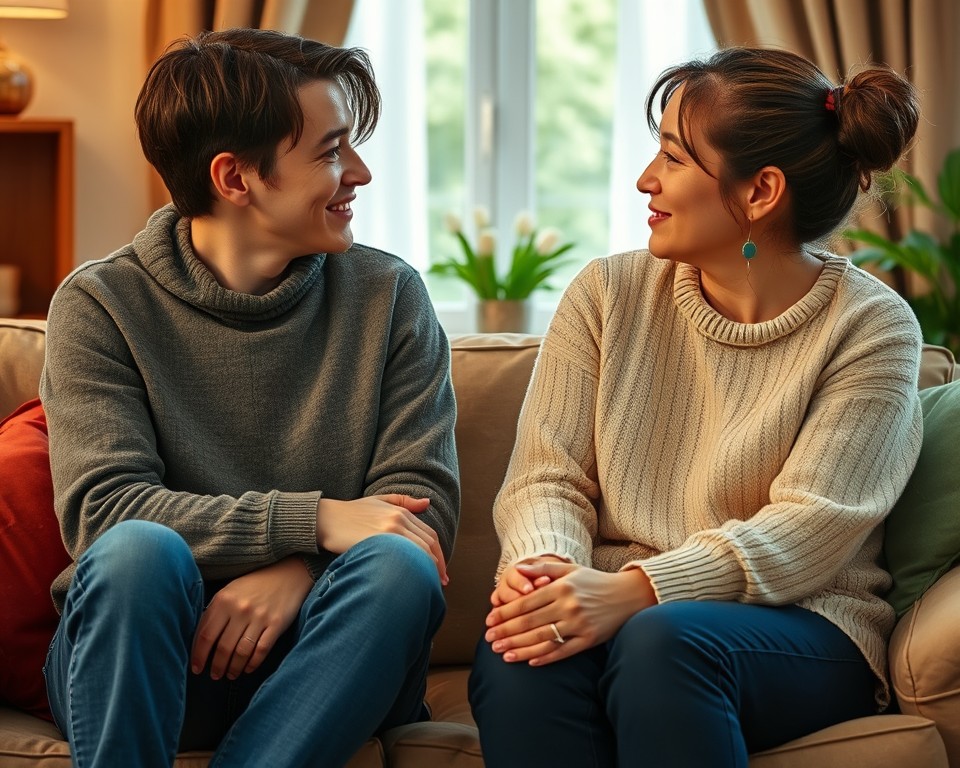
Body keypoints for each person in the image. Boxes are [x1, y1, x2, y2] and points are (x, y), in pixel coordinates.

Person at [468, 46, 923, 766]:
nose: (646, 179)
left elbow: (815, 523)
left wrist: (641, 590)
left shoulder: (871, 325)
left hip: (800, 625)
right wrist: (546, 573)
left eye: (675, 158)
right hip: (620, 608)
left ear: (759, 191)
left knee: (663, 641)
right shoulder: (606, 295)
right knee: (523, 650)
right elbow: (545, 478)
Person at [40, 28, 459, 768]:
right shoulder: (101, 304)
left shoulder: (388, 296)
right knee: (138, 552)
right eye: (331, 152)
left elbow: (417, 509)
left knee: (399, 568)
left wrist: (297, 569)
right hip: (148, 655)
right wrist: (317, 519)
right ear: (235, 178)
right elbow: (104, 511)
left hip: (331, 655)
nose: (358, 173)